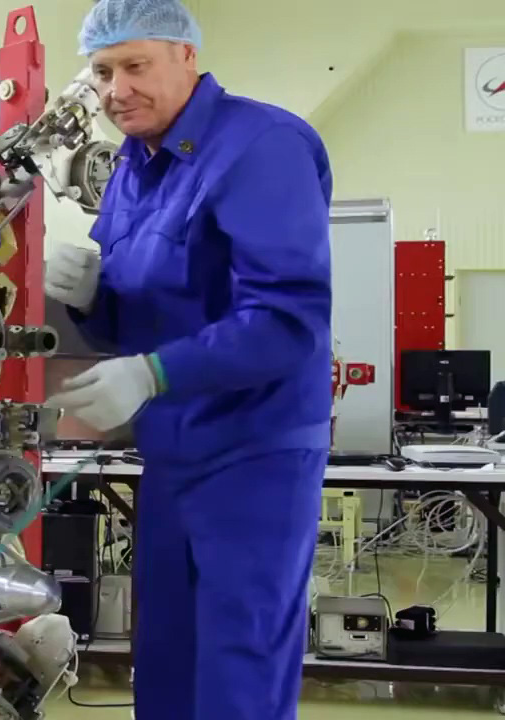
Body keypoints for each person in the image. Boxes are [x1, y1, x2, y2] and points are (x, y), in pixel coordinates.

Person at [44, 1, 333, 718]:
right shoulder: (131, 167)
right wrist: (90, 301)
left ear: (187, 57)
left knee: (238, 675)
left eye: (135, 66)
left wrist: (154, 374)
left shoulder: (261, 147)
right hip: (172, 453)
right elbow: (135, 318)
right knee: (167, 666)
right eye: (103, 72)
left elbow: (288, 322)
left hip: (254, 457)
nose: (117, 91)